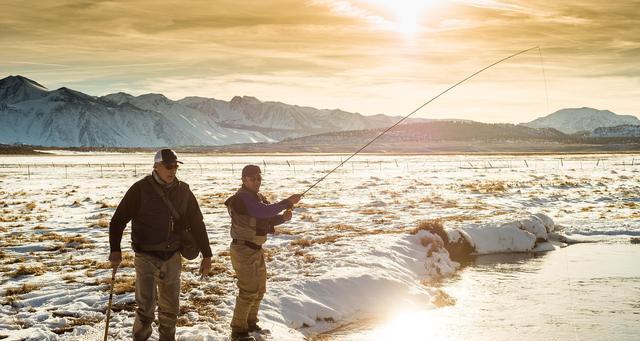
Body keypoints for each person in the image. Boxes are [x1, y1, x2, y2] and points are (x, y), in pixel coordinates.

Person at [108, 149, 213, 341]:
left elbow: (197, 222)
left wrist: (207, 254)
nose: (172, 170)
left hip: (172, 255)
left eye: (175, 166)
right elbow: (117, 221)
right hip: (145, 256)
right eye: (168, 166)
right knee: (145, 308)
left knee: (170, 308)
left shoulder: (184, 191)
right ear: (156, 166)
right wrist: (115, 249)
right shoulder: (139, 189)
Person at [224, 165, 302, 341]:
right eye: (253, 178)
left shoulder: (257, 198)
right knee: (248, 290)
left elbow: (266, 218)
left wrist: (283, 218)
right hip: (243, 249)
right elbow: (262, 211)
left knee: (259, 290)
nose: (257, 181)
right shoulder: (241, 198)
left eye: (259, 178)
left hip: (256, 249)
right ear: (244, 180)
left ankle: (250, 323)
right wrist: (287, 202)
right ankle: (238, 331)